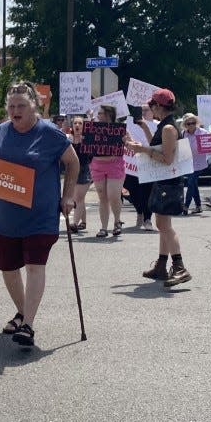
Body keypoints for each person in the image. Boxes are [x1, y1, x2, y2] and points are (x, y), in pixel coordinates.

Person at [0, 81, 79, 349]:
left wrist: (68, 195)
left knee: (35, 266)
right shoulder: (1, 131)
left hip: (40, 214)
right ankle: (22, 311)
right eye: (12, 106)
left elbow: (73, 163)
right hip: (5, 214)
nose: (16, 111)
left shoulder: (50, 133)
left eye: (22, 106)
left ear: (34, 106)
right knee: (8, 268)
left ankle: (28, 324)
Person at [125, 88, 191, 286]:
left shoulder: (169, 129)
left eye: (152, 105)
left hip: (168, 183)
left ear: (160, 106)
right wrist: (143, 137)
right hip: (163, 182)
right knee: (163, 225)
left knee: (164, 226)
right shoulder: (164, 126)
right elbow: (157, 147)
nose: (150, 108)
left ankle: (179, 267)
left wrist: (141, 149)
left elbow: (167, 159)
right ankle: (162, 265)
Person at [86, 104, 126, 237]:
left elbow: (130, 143)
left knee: (113, 195)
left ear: (108, 114)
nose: (98, 116)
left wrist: (127, 141)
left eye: (101, 113)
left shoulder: (119, 129)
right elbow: (86, 143)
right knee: (102, 196)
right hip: (97, 165)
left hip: (115, 165)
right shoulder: (93, 128)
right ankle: (103, 227)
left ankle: (117, 221)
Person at [69, 116, 93, 234]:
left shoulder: (88, 139)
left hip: (85, 171)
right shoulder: (68, 140)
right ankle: (83, 221)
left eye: (80, 123)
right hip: (72, 171)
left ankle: (74, 223)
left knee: (78, 198)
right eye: (75, 123)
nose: (77, 125)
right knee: (79, 198)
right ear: (72, 125)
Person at [180, 113, 205, 213]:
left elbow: (210, 143)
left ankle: (186, 206)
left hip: (200, 163)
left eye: (193, 123)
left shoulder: (203, 132)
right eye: (188, 123)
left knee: (191, 183)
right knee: (193, 184)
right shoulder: (183, 134)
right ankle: (198, 206)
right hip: (188, 164)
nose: (191, 125)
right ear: (185, 125)